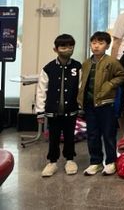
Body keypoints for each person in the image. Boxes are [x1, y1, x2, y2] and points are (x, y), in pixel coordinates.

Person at [78, 31, 124, 176]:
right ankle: (96, 161)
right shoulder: (86, 63)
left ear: (107, 46)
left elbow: (122, 75)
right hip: (89, 104)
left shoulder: (111, 62)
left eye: (100, 43)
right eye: (94, 43)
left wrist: (110, 85)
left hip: (106, 103)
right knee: (92, 134)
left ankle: (111, 161)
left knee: (108, 134)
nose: (96, 46)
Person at [36, 34, 82, 177]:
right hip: (53, 111)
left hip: (71, 110)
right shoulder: (48, 68)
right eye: (63, 46)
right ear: (55, 49)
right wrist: (40, 111)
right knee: (53, 137)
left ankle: (70, 160)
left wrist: (81, 107)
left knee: (69, 136)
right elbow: (41, 91)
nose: (67, 49)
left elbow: (81, 88)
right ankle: (52, 162)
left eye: (70, 46)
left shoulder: (77, 67)